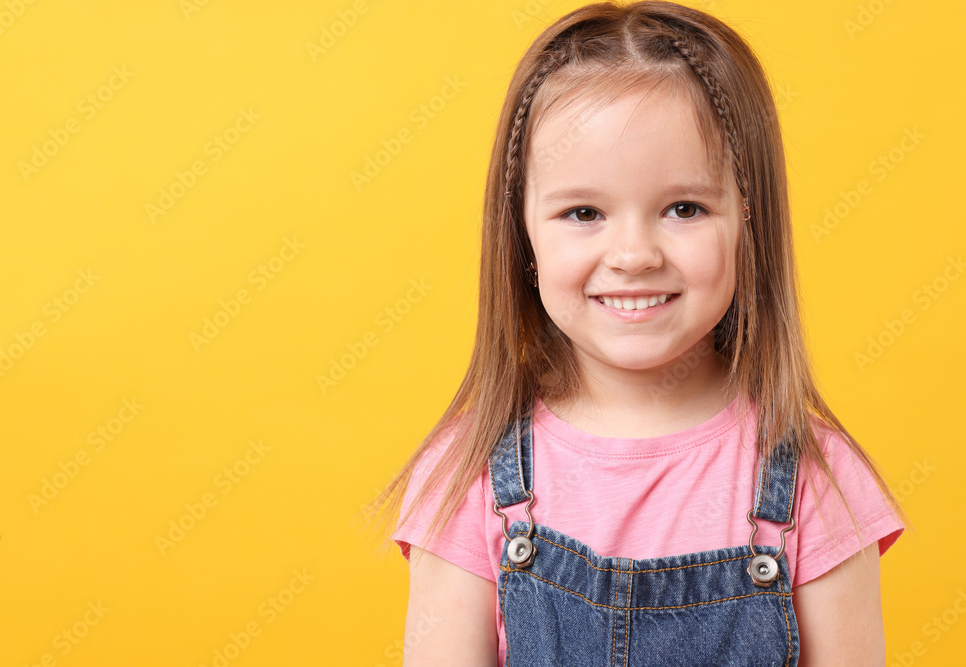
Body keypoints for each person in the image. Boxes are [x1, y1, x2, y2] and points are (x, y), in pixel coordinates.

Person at [377, 1, 906, 664]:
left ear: (749, 219)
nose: (634, 254)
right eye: (583, 211)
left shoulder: (814, 483)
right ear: (523, 232)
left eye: (683, 207)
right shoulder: (470, 477)